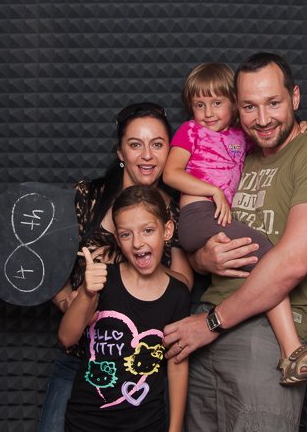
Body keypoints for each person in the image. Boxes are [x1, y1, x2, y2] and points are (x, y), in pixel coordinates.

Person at [163, 53, 307, 431]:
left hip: (261, 339)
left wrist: (211, 323)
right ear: (238, 109)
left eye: (274, 103)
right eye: (250, 107)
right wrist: (204, 259)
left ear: (295, 97)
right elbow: (206, 234)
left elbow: (293, 264)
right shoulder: (243, 153)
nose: (264, 118)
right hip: (206, 334)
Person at [37, 102, 193, 432]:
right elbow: (46, 262)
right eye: (135, 144)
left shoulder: (174, 211)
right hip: (80, 360)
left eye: (157, 144)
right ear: (120, 152)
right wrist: (70, 301)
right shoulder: (88, 196)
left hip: (139, 373)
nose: (147, 155)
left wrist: (138, 273)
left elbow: (183, 283)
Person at [60, 185, 191, 432]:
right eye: (126, 234)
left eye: (148, 230)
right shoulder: (102, 280)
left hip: (147, 423)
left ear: (167, 230)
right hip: (86, 421)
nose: (138, 243)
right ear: (117, 239)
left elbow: (177, 363)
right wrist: (87, 293)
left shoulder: (178, 293)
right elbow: (67, 338)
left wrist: (175, 428)